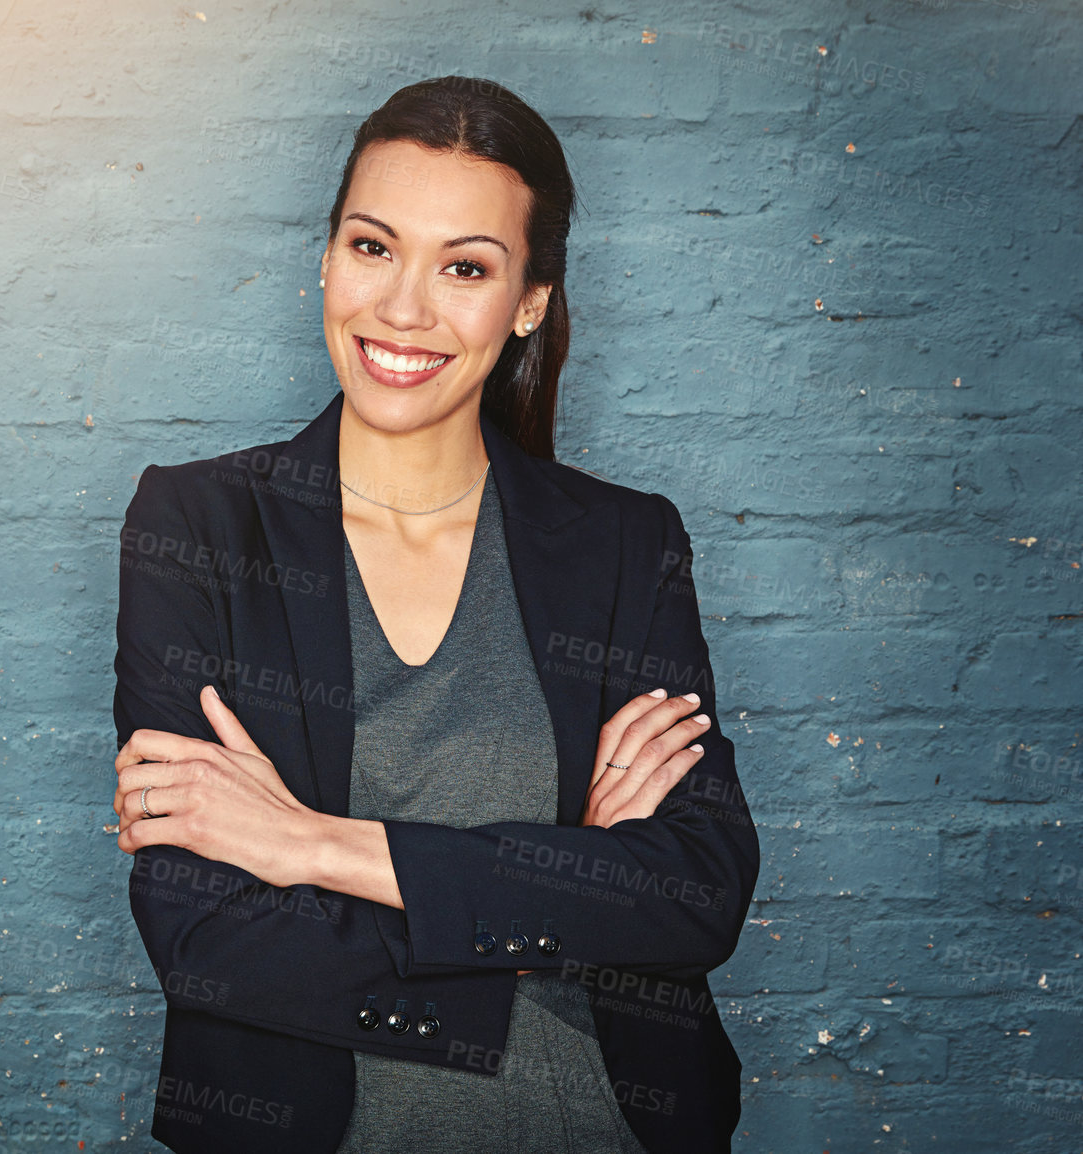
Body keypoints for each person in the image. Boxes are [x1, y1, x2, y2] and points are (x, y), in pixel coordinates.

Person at [111, 76, 758, 1154]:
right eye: (374, 247)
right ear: (325, 257)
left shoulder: (622, 543)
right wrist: (560, 891)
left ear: (529, 302)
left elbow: (693, 896)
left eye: (465, 267)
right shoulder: (201, 526)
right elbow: (203, 927)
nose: (403, 308)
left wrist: (313, 844)